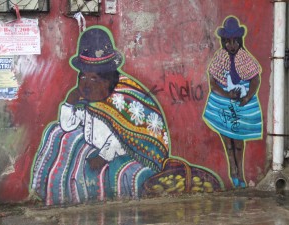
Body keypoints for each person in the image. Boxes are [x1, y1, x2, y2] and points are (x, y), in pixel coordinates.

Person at [30, 26, 170, 205]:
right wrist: (69, 104)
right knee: (55, 132)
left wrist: (104, 156)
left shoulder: (122, 97)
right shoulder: (87, 98)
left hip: (132, 150)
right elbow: (68, 125)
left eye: (94, 78)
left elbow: (121, 136)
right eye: (83, 77)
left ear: (107, 80)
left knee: (103, 170)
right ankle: (54, 190)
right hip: (98, 145)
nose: (86, 84)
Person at [203, 16, 262, 188]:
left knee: (238, 142)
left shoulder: (244, 57)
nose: (232, 46)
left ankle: (240, 173)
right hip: (222, 104)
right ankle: (233, 172)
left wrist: (247, 96)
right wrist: (226, 94)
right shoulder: (220, 58)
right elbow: (213, 83)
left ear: (240, 40)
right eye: (228, 42)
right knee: (228, 142)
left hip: (242, 105)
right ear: (223, 42)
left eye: (235, 41)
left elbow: (255, 79)